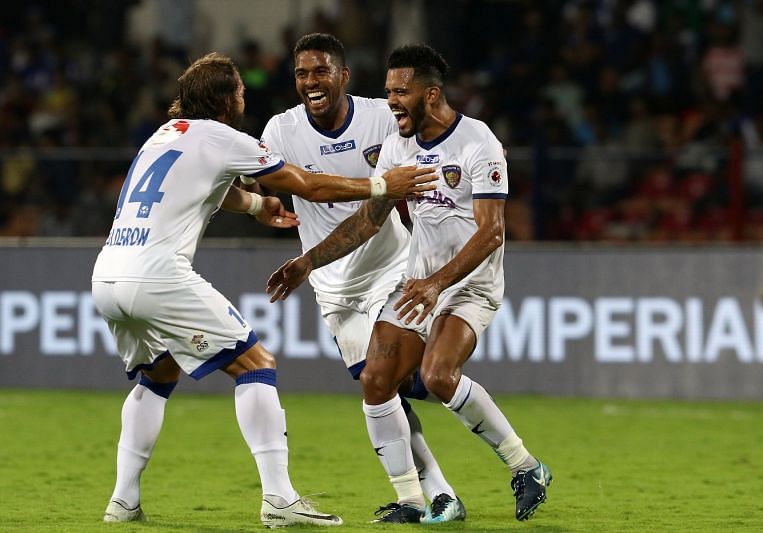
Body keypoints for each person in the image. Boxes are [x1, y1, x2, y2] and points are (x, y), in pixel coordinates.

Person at [91, 52, 435, 529]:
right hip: (157, 275)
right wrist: (381, 185)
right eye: (239, 90)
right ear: (225, 100)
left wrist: (255, 205)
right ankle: (279, 498)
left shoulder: (164, 136)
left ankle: (122, 501)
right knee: (256, 364)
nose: (243, 96)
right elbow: (309, 186)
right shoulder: (225, 137)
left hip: (108, 272)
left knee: (160, 372)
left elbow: (209, 187)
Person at [267, 44, 552, 523]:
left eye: (401, 92)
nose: (392, 101)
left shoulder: (478, 143)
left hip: (469, 284)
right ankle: (412, 501)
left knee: (439, 377)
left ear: (431, 93)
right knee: (377, 381)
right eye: (388, 92)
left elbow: (491, 233)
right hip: (420, 283)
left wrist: (438, 283)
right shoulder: (399, 148)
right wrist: (306, 263)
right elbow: (367, 221)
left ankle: (526, 466)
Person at [259, 33, 465, 524]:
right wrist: (258, 205)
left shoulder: (379, 116)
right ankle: (437, 494)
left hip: (391, 267)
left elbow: (432, 156)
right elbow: (270, 182)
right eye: (303, 74)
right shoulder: (280, 131)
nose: (311, 82)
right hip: (333, 287)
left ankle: (432, 492)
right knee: (383, 387)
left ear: (343, 76)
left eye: (321, 71)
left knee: (395, 381)